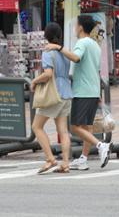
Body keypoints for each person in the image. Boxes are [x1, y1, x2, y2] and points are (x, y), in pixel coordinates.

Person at [46, 15, 112, 170]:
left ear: (81, 27)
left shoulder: (82, 43)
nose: (75, 28)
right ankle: (83, 159)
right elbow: (95, 70)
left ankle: (101, 145)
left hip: (82, 91)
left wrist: (58, 48)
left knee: (75, 127)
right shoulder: (95, 44)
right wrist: (98, 96)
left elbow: (76, 58)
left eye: (76, 25)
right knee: (87, 126)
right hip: (93, 90)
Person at [31, 22, 73, 174]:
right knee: (63, 130)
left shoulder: (48, 51)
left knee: (36, 126)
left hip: (53, 93)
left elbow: (48, 74)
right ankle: (66, 163)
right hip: (67, 93)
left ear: (46, 36)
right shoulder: (63, 51)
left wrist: (35, 81)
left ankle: (50, 159)